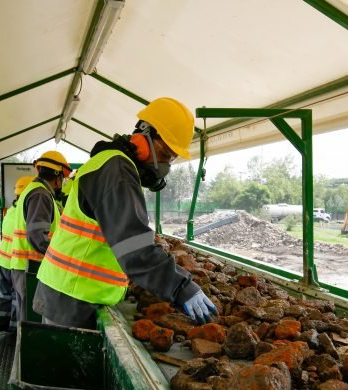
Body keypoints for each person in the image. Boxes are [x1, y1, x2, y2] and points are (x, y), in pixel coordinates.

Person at [33, 97, 216, 329]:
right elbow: (133, 246)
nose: (165, 165)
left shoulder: (111, 165)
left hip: (71, 292)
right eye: (166, 154)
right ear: (145, 136)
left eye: (170, 158)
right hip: (72, 298)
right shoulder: (117, 171)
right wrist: (181, 287)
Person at [10, 151, 71, 325]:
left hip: (26, 266)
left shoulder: (35, 191)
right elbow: (38, 237)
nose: (61, 185)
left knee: (26, 320)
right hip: (31, 267)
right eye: (63, 180)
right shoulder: (40, 195)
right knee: (32, 323)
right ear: (57, 177)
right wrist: (63, 257)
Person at [0, 175, 32, 332]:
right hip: (14, 263)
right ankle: (15, 330)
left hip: (2, 260)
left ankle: (0, 321)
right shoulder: (24, 214)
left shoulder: (10, 211)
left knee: (4, 293)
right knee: (17, 297)